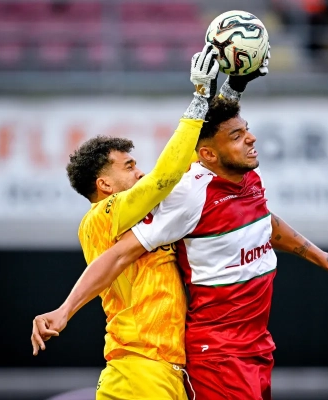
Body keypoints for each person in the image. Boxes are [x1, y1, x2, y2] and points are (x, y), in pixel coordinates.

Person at [31, 43, 219, 400]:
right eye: (129, 167)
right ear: (104, 185)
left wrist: (227, 93)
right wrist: (198, 99)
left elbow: (192, 164)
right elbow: (165, 176)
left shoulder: (143, 218)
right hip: (138, 369)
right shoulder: (101, 217)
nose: (140, 172)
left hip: (163, 370)